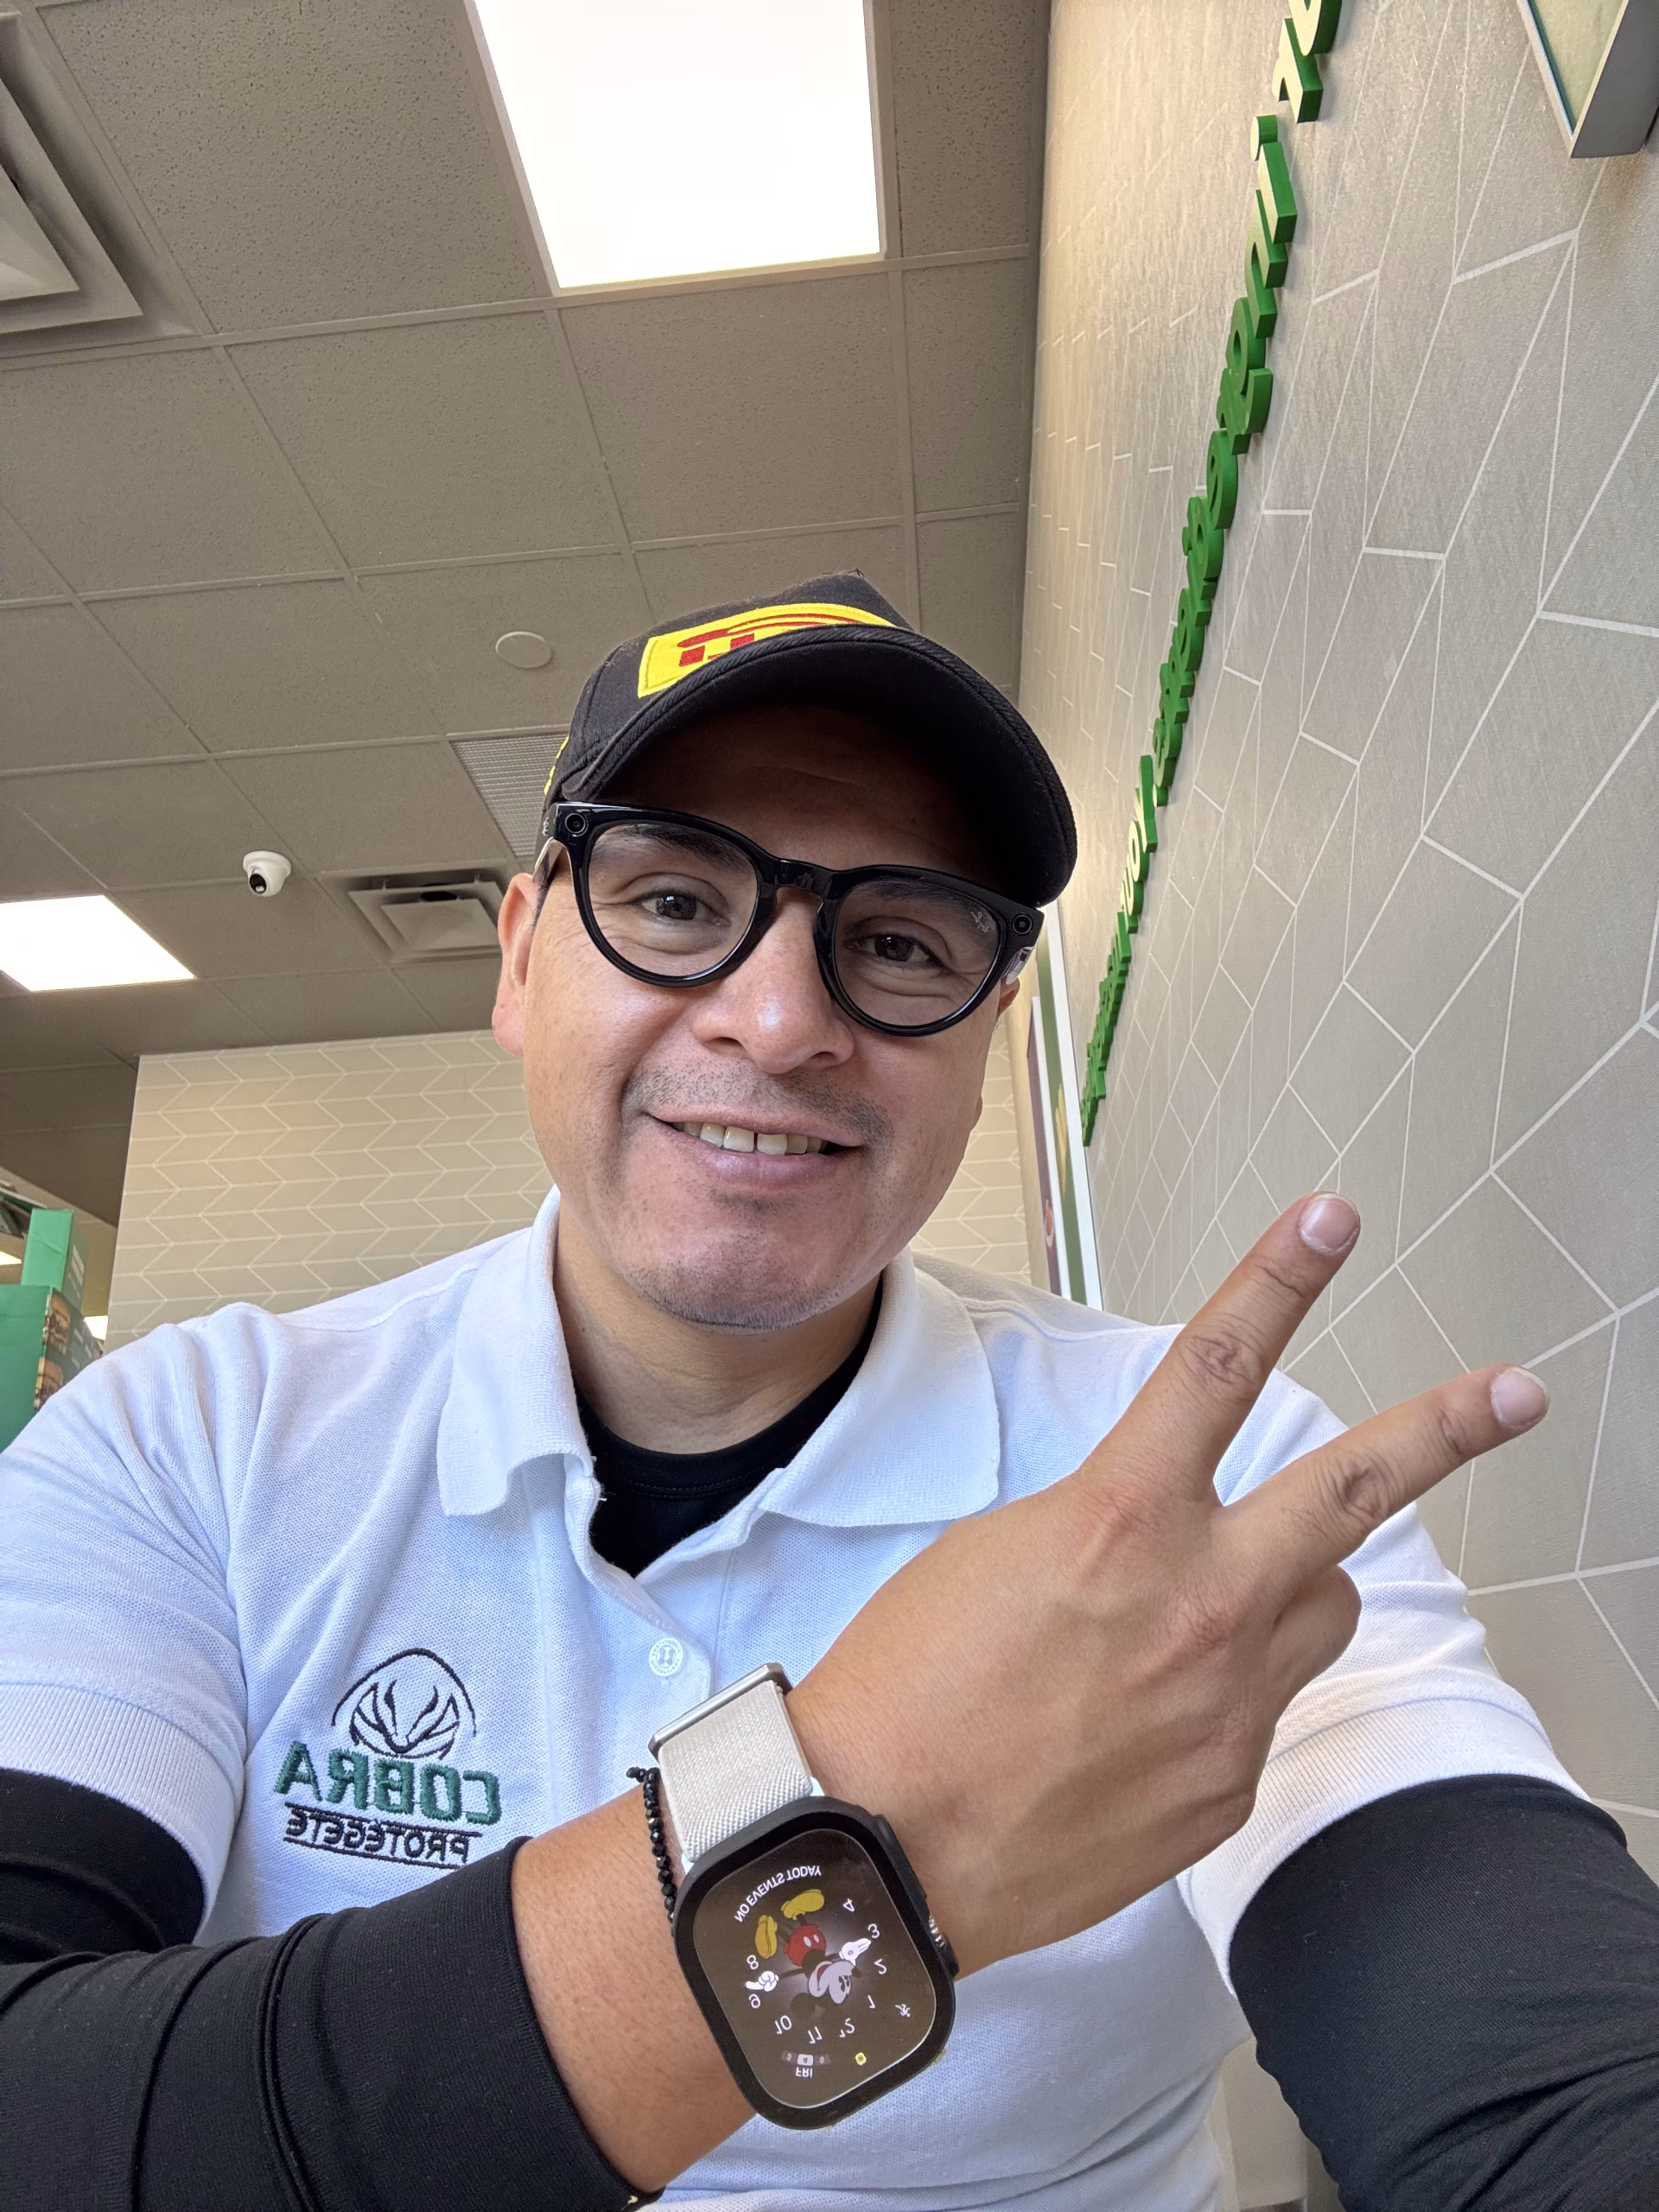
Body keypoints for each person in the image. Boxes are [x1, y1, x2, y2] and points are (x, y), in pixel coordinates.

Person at [1, 573, 1656, 2212]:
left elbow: (1540, 2080)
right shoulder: (188, 1442)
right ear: (519, 958)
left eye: (901, 941)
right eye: (672, 902)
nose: (782, 1021)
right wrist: (875, 1812)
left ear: (989, 1037)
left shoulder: (1198, 1482)